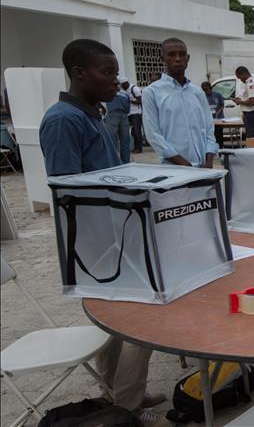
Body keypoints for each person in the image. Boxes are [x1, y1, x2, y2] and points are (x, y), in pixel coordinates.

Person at [38, 39, 168, 427]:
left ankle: (119, 396)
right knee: (139, 320)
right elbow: (68, 191)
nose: (116, 81)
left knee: (117, 323)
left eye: (116, 73)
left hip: (117, 232)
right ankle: (126, 409)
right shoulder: (63, 120)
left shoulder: (92, 113)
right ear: (79, 73)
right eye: (107, 73)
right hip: (97, 240)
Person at [142, 38, 218, 168]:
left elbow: (209, 128)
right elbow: (153, 135)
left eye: (182, 54)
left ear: (188, 58)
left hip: (204, 167)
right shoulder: (151, 92)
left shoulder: (198, 92)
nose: (178, 59)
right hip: (175, 168)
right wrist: (184, 164)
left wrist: (209, 160)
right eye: (171, 54)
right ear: (162, 58)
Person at [103, 82, 131, 163]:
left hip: (112, 115)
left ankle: (114, 161)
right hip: (124, 116)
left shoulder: (108, 92)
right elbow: (128, 108)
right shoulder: (125, 94)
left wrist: (104, 111)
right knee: (125, 140)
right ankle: (126, 161)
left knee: (112, 140)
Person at [232, 66, 254, 139]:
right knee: (252, 138)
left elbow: (252, 101)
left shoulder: (251, 83)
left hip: (251, 115)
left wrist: (240, 101)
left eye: (239, 77)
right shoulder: (248, 83)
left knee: (252, 138)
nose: (240, 80)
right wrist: (239, 99)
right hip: (250, 115)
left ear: (244, 74)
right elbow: (247, 98)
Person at [122, 77, 144, 153]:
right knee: (132, 132)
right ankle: (135, 147)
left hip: (136, 113)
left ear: (126, 83)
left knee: (137, 131)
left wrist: (129, 100)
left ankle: (139, 148)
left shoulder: (134, 89)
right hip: (128, 113)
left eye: (122, 85)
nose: (121, 86)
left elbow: (140, 101)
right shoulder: (123, 90)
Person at [202, 81, 225, 148]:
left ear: (210, 88)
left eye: (207, 89)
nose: (206, 91)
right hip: (209, 120)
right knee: (210, 136)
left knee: (218, 135)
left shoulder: (218, 95)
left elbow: (222, 105)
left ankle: (220, 149)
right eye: (204, 90)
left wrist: (218, 112)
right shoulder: (203, 97)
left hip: (218, 119)